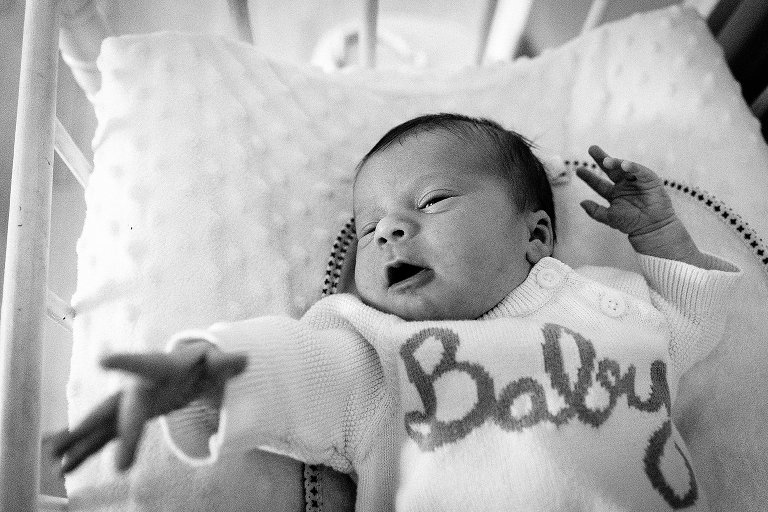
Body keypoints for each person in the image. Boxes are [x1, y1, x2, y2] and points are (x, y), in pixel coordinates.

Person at [52, 113, 741, 511]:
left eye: (433, 201)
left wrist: (659, 239)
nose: (386, 232)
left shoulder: (601, 298)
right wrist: (199, 376)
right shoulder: (378, 352)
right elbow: (294, 370)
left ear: (535, 237)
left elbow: (690, 325)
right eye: (369, 225)